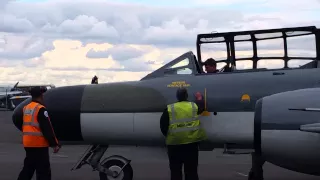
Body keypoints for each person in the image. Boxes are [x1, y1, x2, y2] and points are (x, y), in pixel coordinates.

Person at [160, 87, 207, 180]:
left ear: (177, 97)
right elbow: (201, 107)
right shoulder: (193, 106)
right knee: (191, 171)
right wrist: (199, 98)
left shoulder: (170, 108)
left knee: (175, 171)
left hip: (174, 144)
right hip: (191, 145)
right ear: (187, 96)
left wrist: (170, 135)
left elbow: (163, 125)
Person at [15, 86, 61, 180]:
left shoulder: (26, 108)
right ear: (41, 95)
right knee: (43, 171)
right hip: (39, 144)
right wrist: (54, 144)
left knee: (28, 168)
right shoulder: (40, 109)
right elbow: (47, 128)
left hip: (28, 143)